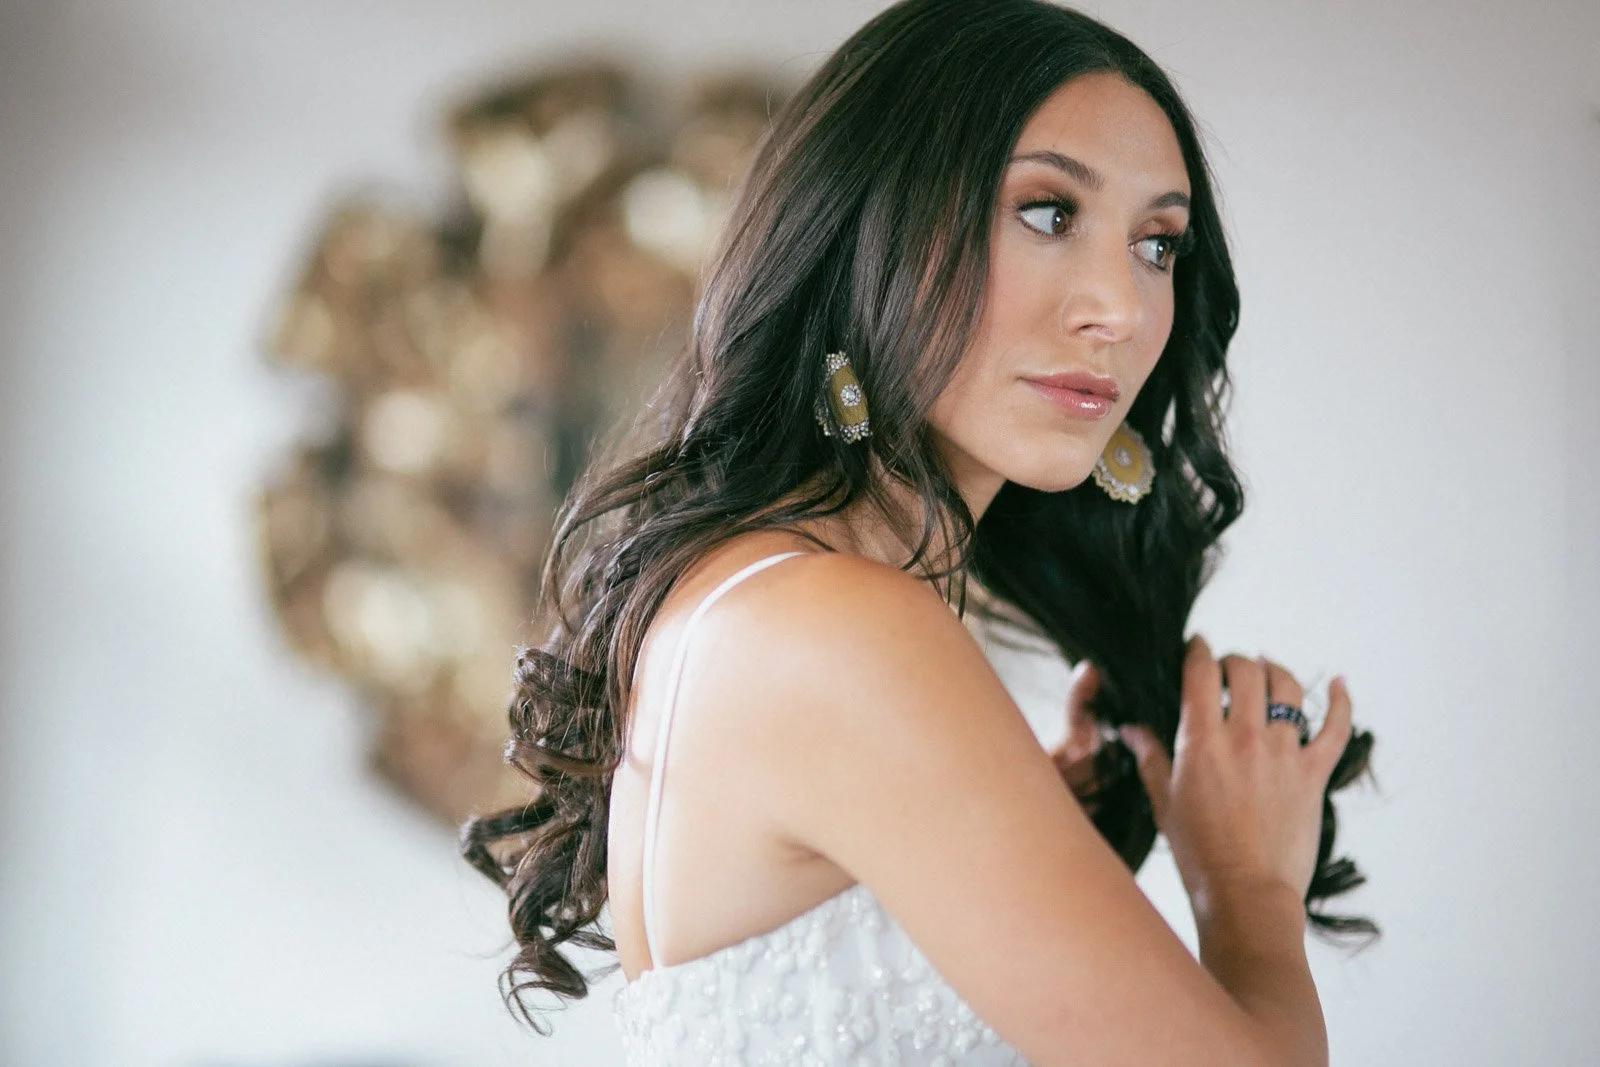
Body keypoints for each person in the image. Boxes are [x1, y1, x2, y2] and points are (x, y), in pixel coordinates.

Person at [461, 0, 1378, 1062]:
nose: (1120, 307)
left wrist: (1037, 823)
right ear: (871, 225)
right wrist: (1249, 884)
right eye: (1046, 212)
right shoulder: (840, 623)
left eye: (1157, 243)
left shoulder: (762, 594)